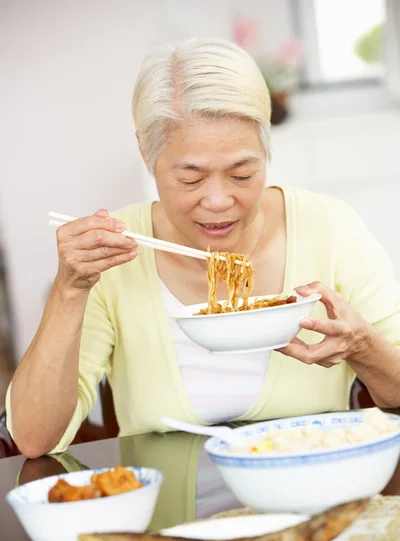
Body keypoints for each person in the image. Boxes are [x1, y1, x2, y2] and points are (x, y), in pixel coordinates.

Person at [6, 37, 400, 458]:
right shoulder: (116, 253)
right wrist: (70, 288)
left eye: (243, 174)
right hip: (175, 518)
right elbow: (33, 440)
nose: (217, 201)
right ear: (145, 152)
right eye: (190, 179)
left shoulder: (329, 227)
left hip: (316, 501)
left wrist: (364, 348)